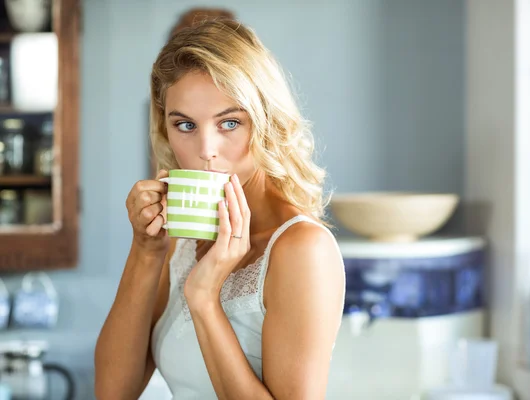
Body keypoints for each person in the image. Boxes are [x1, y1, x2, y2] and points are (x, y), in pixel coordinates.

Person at [94, 18, 346, 399]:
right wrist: (145, 252)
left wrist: (204, 298)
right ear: (164, 129)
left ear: (266, 123)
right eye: (185, 125)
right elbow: (113, 392)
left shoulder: (302, 249)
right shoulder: (178, 243)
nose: (206, 149)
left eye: (229, 122)